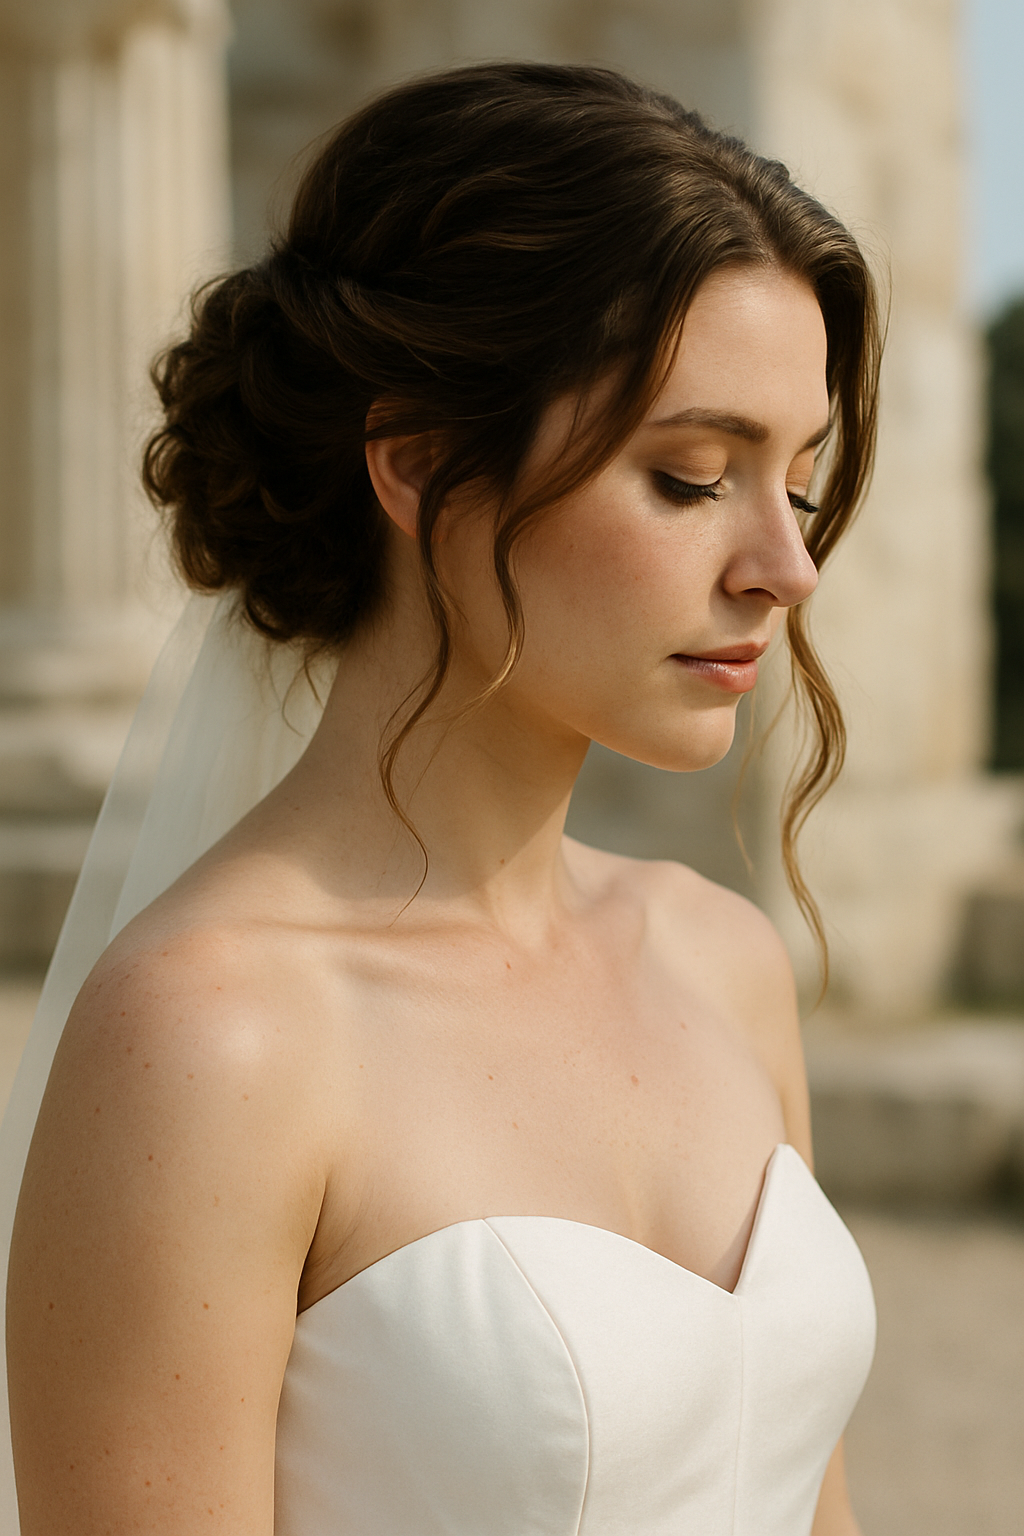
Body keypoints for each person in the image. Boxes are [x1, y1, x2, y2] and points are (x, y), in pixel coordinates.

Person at [3, 62, 881, 1536]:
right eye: (687, 477)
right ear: (418, 467)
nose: (782, 569)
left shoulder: (724, 961)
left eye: (794, 483)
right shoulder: (211, 1038)